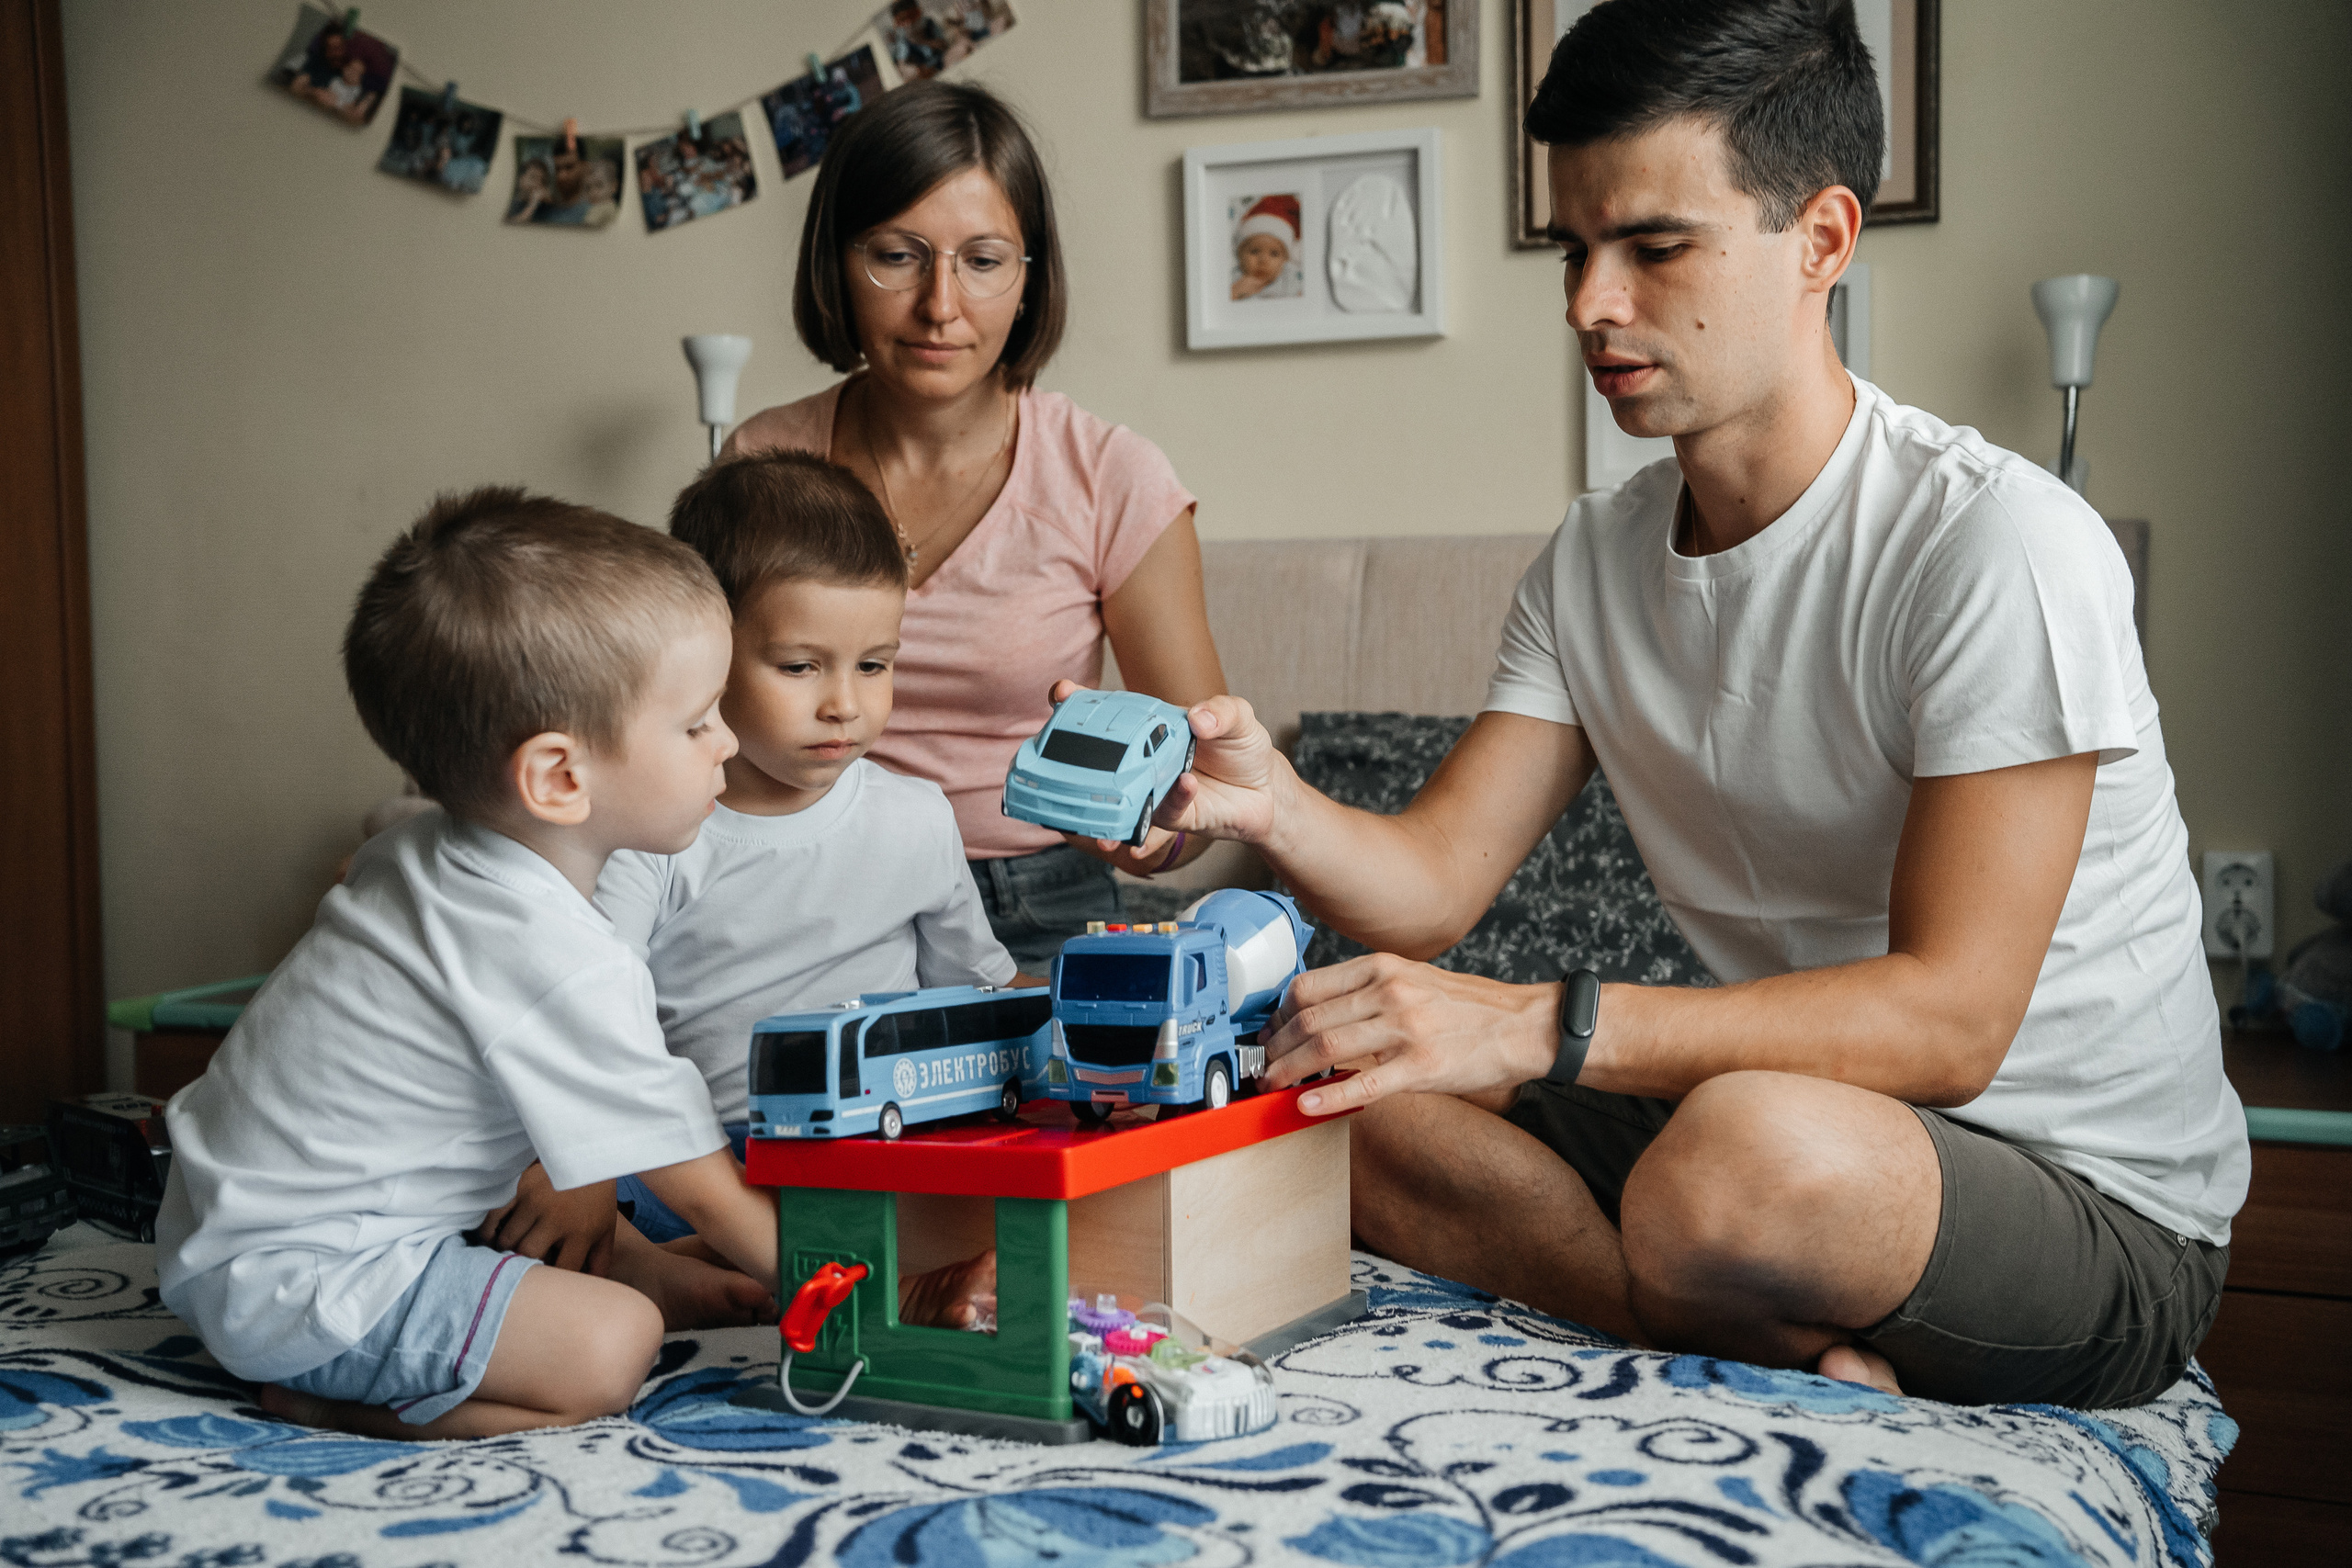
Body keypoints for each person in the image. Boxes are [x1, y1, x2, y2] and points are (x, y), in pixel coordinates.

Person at [1148, 0, 2245, 1410]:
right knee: (1333, 1096)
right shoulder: (1597, 558)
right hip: (1756, 1128)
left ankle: (1707, 1276)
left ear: (1824, 240)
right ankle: (1741, 1332)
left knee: (1741, 1154)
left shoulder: (1995, 545)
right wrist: (1271, 802)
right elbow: (1429, 886)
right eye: (1574, 247)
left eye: (1655, 247)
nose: (1589, 303)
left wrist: (1539, 1023)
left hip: (2079, 1196)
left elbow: (1951, 1025)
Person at [156, 489, 780, 1439]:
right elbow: (695, 1178)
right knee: (616, 1344)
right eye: (696, 722)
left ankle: (606, 1268)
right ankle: (333, 1405)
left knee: (587, 1222)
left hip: (236, 1236)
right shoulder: (554, 951)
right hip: (310, 1283)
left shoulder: (425, 854)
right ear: (559, 778)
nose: (728, 742)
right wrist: (830, 1283)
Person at [477, 453, 1009, 1329]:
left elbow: (973, 996)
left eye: (875, 664)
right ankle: (663, 1261)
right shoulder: (656, 831)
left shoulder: (916, 818)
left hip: (868, 1140)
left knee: (940, 1200)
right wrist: (585, 1172)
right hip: (684, 1158)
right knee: (500, 1190)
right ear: (709, 658)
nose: (845, 703)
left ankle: (711, 1269)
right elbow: (582, 1015)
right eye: (801, 667)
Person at [728, 82, 1227, 970]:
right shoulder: (764, 460)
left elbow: (1198, 782)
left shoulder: (1113, 476)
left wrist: (1153, 833)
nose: (941, 306)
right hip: (801, 885)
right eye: (897, 256)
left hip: (1035, 899)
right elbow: (694, 713)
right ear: (837, 263)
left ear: (1030, 277)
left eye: (984, 261)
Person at [1231, 193, 1301, 300]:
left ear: (1285, 259)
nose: (1263, 260)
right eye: (1254, 251)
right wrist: (1235, 292)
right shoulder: (1234, 280)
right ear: (1240, 255)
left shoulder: (1290, 279)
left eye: (1274, 254)